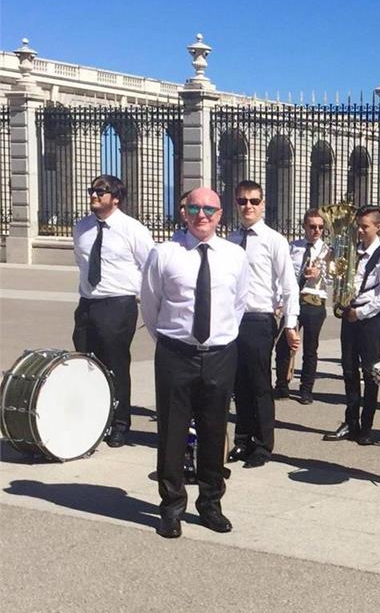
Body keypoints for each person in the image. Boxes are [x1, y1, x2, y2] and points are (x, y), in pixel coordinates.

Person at [140, 188, 249, 538]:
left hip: (219, 354)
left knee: (214, 431)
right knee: (172, 433)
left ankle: (210, 503)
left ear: (220, 215)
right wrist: (173, 341)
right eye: (194, 208)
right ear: (184, 212)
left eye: (209, 209)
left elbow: (238, 303)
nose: (202, 215)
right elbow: (150, 304)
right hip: (176, 354)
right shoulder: (165, 254)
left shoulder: (235, 255)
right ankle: (171, 506)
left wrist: (218, 338)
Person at [72, 174, 155, 448]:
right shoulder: (81, 228)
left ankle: (120, 423)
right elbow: (82, 263)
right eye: (92, 190)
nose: (94, 195)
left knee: (116, 364)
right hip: (87, 304)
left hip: (118, 304)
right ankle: (94, 418)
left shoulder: (133, 229)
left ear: (116, 198)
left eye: (101, 191)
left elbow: (150, 267)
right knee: (86, 363)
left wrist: (148, 301)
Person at [227, 180, 300, 468]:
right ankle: (242, 440)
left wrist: (291, 324)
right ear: (236, 203)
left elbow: (289, 286)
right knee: (238, 383)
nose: (248, 206)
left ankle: (263, 443)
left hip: (259, 318)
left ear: (263, 204)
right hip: (232, 319)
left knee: (259, 382)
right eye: (243, 201)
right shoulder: (230, 240)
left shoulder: (274, 240)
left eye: (254, 201)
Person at [324, 205, 380, 445]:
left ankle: (367, 425)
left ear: (377, 227)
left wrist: (363, 312)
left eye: (365, 226)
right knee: (347, 370)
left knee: (369, 372)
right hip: (349, 314)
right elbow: (338, 279)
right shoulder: (351, 251)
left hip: (369, 319)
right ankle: (351, 421)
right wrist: (330, 267)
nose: (360, 230)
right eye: (359, 225)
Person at [275, 210, 330, 405]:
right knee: (283, 344)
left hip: (314, 301)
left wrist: (320, 273)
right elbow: (282, 275)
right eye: (312, 226)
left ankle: (306, 389)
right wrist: (280, 299)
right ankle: (281, 384)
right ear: (304, 226)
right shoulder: (293, 247)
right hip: (293, 300)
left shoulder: (327, 250)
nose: (317, 231)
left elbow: (334, 278)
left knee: (310, 348)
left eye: (320, 227)